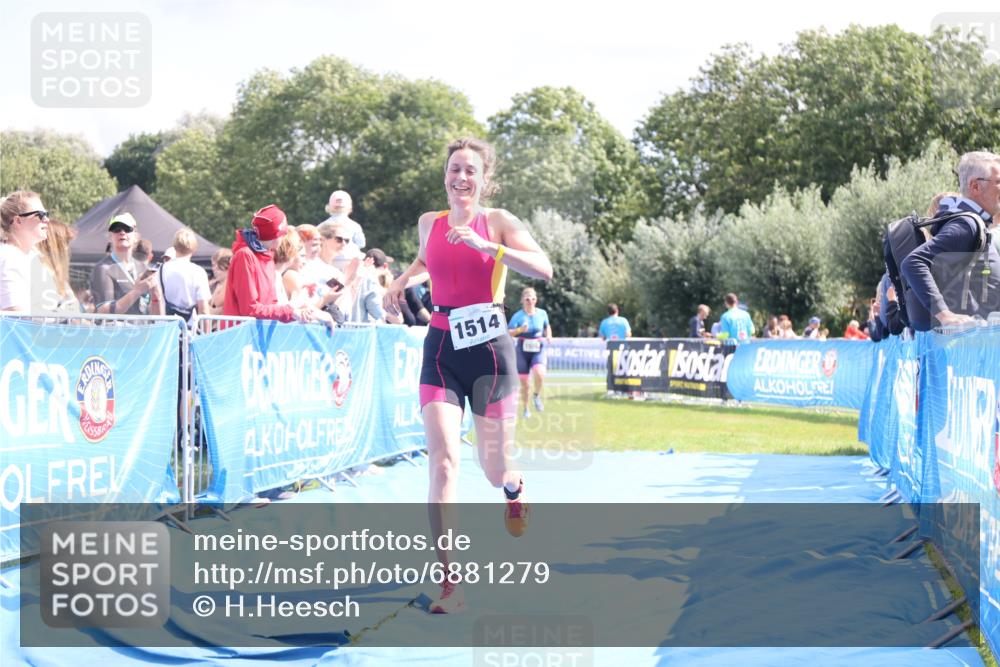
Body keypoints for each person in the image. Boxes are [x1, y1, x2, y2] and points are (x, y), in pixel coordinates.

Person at [383, 137, 552, 614]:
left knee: (493, 468)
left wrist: (488, 247)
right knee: (442, 464)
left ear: (483, 178)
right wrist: (403, 279)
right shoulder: (429, 223)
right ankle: (451, 584)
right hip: (440, 347)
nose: (461, 178)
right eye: (454, 169)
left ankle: (514, 488)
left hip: (490, 352)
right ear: (445, 175)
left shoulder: (498, 222)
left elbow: (544, 269)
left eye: (470, 171)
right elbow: (427, 259)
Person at [900, 152, 1000, 331]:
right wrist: (945, 315)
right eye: (998, 181)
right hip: (976, 339)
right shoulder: (968, 225)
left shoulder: (971, 222)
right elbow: (913, 262)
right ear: (975, 186)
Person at [223, 204, 333, 326]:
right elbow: (249, 309)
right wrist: (292, 311)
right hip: (240, 334)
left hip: (258, 333)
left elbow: (273, 307)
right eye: (284, 233)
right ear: (277, 234)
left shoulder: (268, 257)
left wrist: (310, 314)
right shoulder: (245, 255)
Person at [90, 213, 164, 315]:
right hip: (116, 326)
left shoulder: (143, 268)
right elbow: (103, 311)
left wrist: (156, 296)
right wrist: (136, 292)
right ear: (110, 237)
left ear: (136, 236)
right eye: (116, 229)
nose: (122, 232)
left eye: (127, 229)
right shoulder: (103, 268)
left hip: (141, 325)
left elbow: (157, 316)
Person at [0, 190, 48, 312]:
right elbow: (15, 315)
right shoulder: (9, 258)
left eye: (46, 214)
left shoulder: (28, 257)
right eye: (40, 214)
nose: (46, 219)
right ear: (18, 221)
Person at [508, 287, 552, 418]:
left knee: (540, 372)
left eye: (533, 298)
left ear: (536, 300)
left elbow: (547, 326)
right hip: (522, 350)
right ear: (522, 300)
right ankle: (526, 408)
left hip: (538, 347)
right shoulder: (518, 316)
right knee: (525, 382)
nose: (530, 301)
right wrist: (520, 330)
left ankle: (536, 395)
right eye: (527, 299)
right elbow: (509, 332)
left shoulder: (542, 313)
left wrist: (549, 335)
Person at [159, 227, 211, 323]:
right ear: (194, 249)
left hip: (164, 326)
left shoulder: (161, 269)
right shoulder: (198, 272)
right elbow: (203, 309)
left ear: (174, 247)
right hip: (189, 326)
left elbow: (155, 299)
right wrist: (206, 331)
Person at [36, 219, 82, 314]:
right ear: (51, 243)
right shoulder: (40, 271)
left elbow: (73, 308)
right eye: (65, 242)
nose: (66, 248)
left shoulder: (57, 275)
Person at [208, 248, 232, 315]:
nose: (213, 269)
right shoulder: (212, 284)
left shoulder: (229, 286)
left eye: (214, 265)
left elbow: (216, 304)